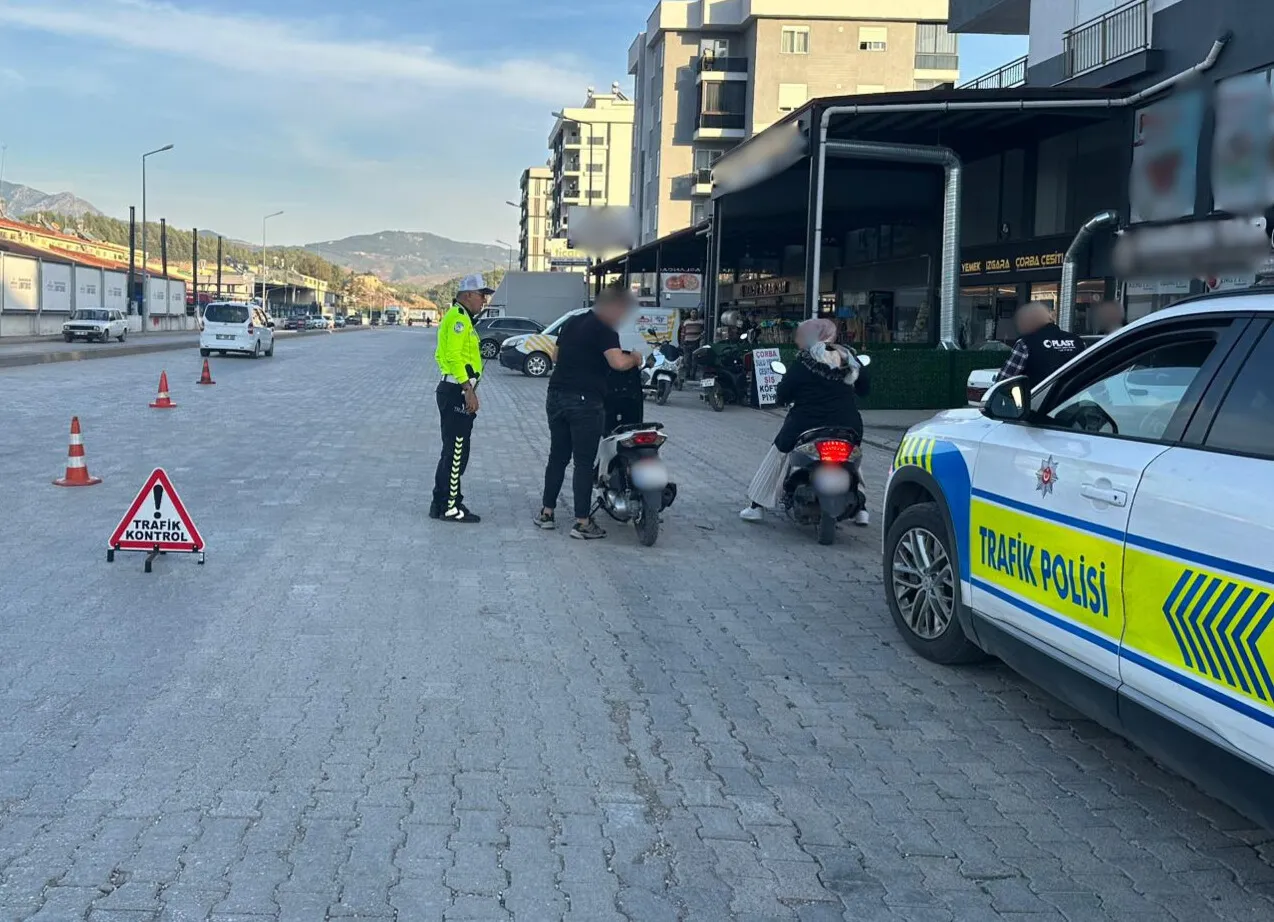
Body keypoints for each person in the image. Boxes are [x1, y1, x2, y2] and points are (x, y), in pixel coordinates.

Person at [536, 287, 646, 539]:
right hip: (585, 401)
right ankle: (582, 522)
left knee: (558, 457)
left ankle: (546, 513)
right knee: (584, 463)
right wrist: (635, 358)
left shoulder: (573, 321)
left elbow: (555, 355)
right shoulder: (605, 327)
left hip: (556, 396)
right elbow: (617, 362)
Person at [740, 318, 871, 525]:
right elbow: (864, 389)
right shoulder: (849, 358)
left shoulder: (804, 361)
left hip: (807, 423)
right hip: (848, 423)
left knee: (779, 453)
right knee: (852, 457)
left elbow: (783, 393)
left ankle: (757, 506)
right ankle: (862, 509)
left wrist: (783, 398)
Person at [431, 273, 493, 523]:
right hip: (457, 391)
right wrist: (467, 389)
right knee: (457, 452)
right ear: (467, 295)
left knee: (452, 451)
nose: (484, 301)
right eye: (481, 295)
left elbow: (441, 355)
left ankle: (442, 502)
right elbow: (454, 356)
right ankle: (449, 506)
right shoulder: (458, 319)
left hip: (452, 389)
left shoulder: (459, 317)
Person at [995, 301, 1086, 389]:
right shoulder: (1077, 341)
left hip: (1040, 398)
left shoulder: (1025, 343)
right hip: (1077, 397)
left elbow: (1003, 382)